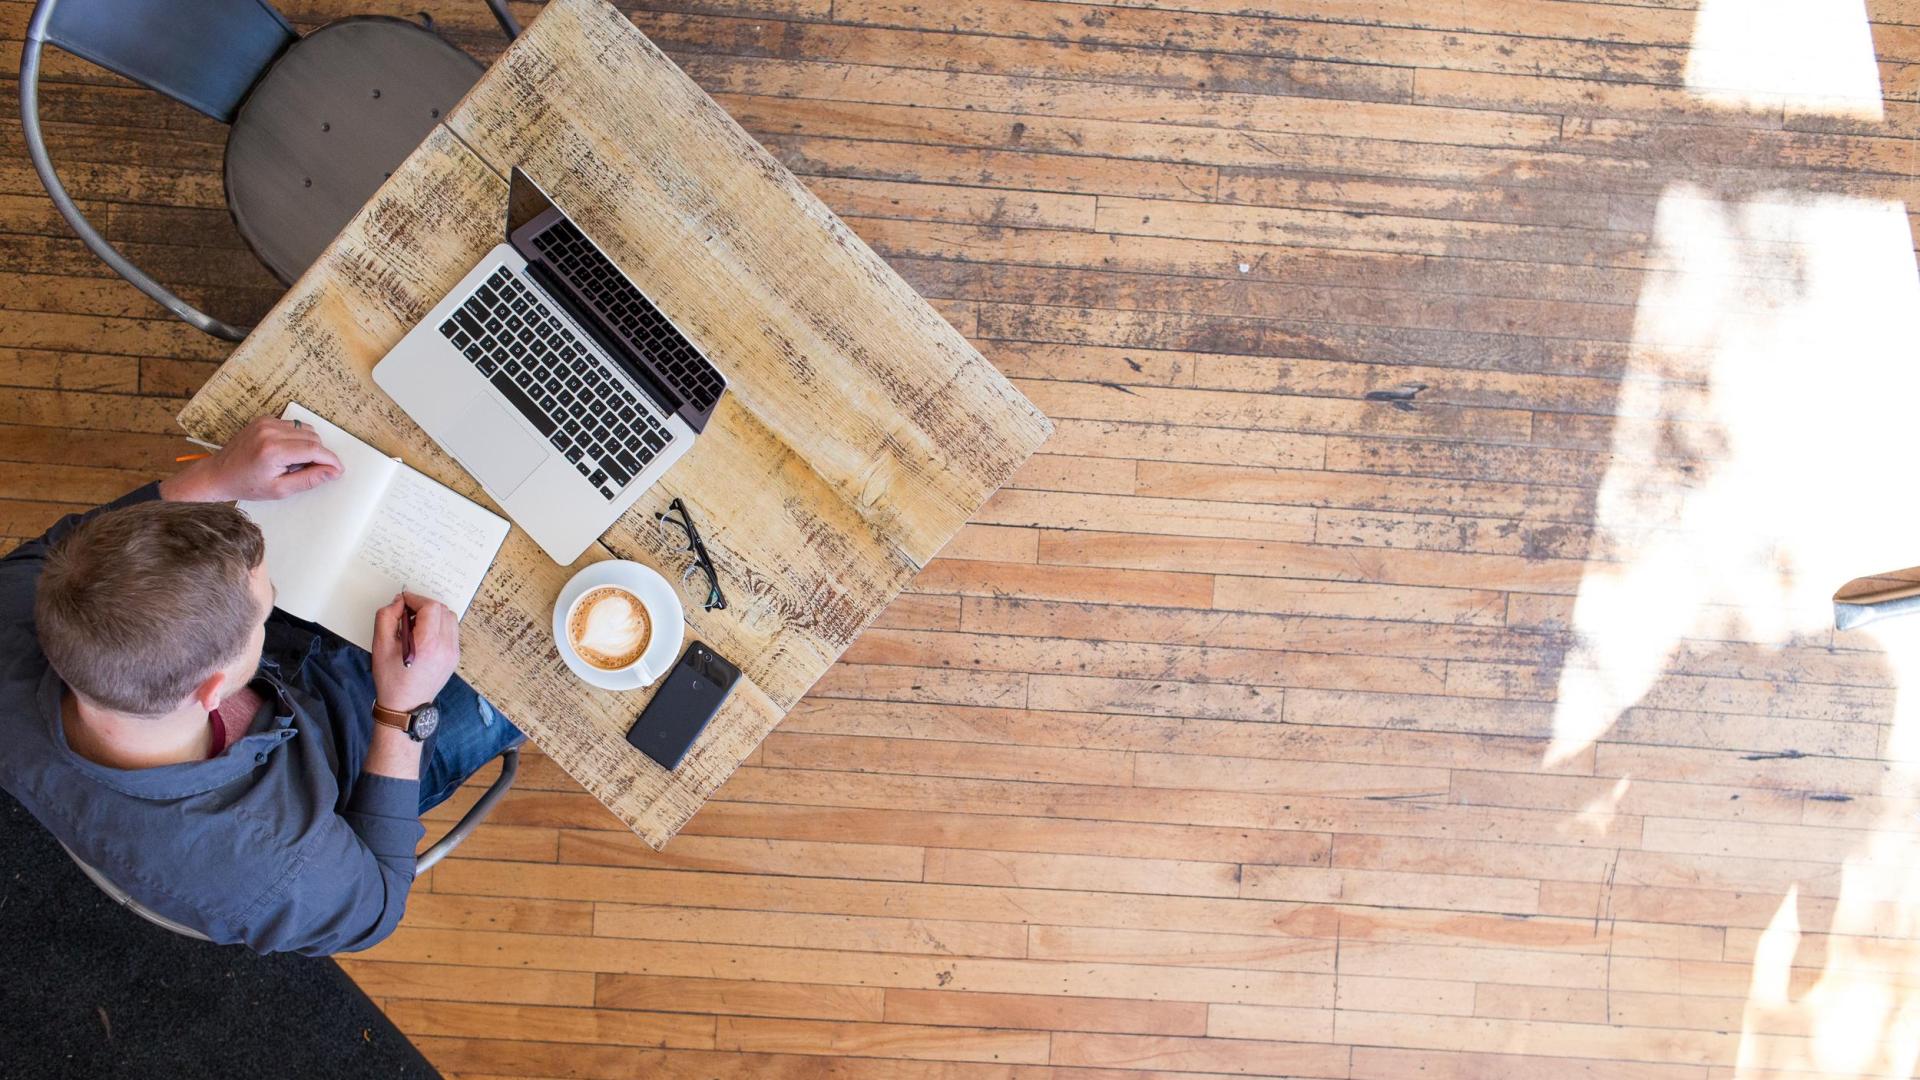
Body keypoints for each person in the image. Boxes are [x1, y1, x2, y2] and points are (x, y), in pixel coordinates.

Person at [0, 416, 523, 955]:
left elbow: (65, 555)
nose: (271, 599)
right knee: (534, 666)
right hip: (372, 743)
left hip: (296, 675)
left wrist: (214, 479)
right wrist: (405, 709)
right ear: (213, 689)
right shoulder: (272, 867)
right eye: (265, 609)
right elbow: (379, 906)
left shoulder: (24, 619)